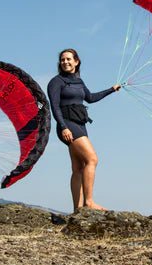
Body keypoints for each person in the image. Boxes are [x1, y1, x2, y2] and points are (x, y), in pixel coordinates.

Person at [47, 49, 120, 212]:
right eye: (62, 60)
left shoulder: (79, 81)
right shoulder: (56, 82)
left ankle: (77, 209)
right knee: (92, 159)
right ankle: (89, 202)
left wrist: (111, 89)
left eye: (68, 59)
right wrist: (63, 127)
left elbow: (90, 98)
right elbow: (55, 106)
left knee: (78, 167)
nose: (65, 62)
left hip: (80, 124)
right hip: (67, 124)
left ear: (76, 61)